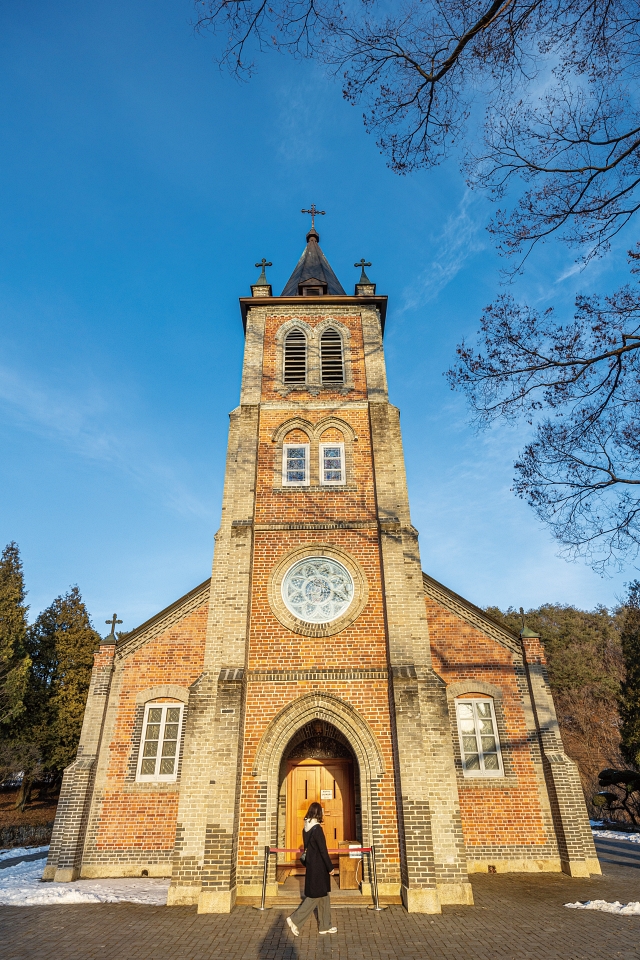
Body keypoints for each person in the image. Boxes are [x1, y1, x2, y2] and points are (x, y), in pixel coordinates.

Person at [286, 801, 337, 936]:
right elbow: (323, 851)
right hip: (319, 868)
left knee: (324, 896)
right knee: (315, 896)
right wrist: (330, 867)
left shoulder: (306, 828)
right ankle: (294, 920)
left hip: (312, 866)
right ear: (318, 813)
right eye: (322, 811)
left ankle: (325, 926)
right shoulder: (317, 829)